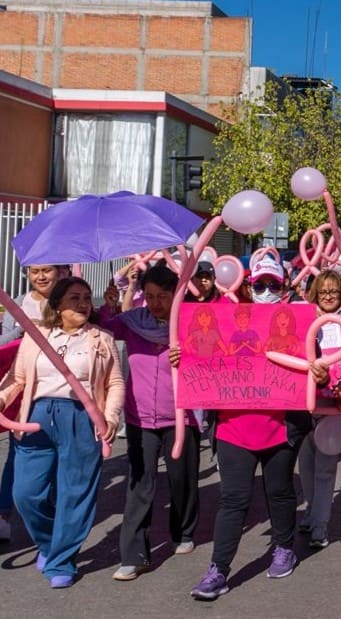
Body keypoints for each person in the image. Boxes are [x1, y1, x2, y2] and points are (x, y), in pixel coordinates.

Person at [189, 255, 314, 600]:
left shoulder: (301, 324)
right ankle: (218, 570)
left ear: (284, 287)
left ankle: (283, 547)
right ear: (248, 287)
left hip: (280, 428)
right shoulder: (228, 321)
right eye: (259, 285)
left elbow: (313, 366)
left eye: (273, 285)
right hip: (234, 427)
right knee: (233, 499)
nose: (266, 291)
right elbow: (202, 355)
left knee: (280, 492)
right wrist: (182, 356)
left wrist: (315, 372)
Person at [1, 277, 124, 588]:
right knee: (25, 493)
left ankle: (61, 560)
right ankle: (49, 543)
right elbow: (17, 378)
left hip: (83, 418)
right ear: (57, 304)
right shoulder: (36, 336)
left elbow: (114, 383)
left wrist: (109, 418)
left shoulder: (101, 338)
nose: (83, 303)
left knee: (75, 493)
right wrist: (1, 399)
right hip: (38, 418)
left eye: (86, 297)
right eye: (75, 298)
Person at [99, 265, 201, 581]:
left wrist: (188, 354)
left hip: (182, 417)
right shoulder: (132, 322)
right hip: (140, 418)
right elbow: (102, 329)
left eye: (163, 296)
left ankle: (184, 531)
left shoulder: (191, 324)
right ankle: (134, 555)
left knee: (181, 480)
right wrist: (110, 305)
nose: (156, 303)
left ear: (176, 295)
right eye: (151, 296)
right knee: (139, 486)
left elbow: (214, 357)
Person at [0, 263, 71, 544]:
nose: (40, 276)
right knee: (19, 451)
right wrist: (22, 329)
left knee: (57, 455)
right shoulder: (18, 303)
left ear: (59, 273)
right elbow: (3, 341)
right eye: (34, 271)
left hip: (57, 389)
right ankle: (4, 513)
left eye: (46, 270)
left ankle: (52, 515)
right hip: (21, 387)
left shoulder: (68, 302)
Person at [298, 269, 341, 550]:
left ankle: (320, 524)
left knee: (325, 468)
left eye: (334, 291)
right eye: (323, 291)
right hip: (305, 403)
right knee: (305, 464)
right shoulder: (303, 320)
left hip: (335, 404)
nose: (329, 296)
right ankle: (310, 512)